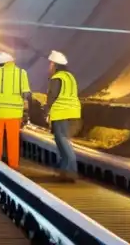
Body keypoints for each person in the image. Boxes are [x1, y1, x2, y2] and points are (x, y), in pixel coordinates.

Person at [0, 51, 31, 170]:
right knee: (13, 140)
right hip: (14, 113)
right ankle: (13, 166)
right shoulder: (21, 73)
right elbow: (26, 95)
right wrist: (26, 113)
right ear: (11, 61)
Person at [46, 50, 81, 182]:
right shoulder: (70, 77)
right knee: (64, 141)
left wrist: (47, 111)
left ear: (55, 65)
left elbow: (52, 96)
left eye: (50, 64)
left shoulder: (57, 78)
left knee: (63, 142)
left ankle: (71, 171)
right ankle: (64, 170)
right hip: (74, 112)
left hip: (61, 112)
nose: (49, 66)